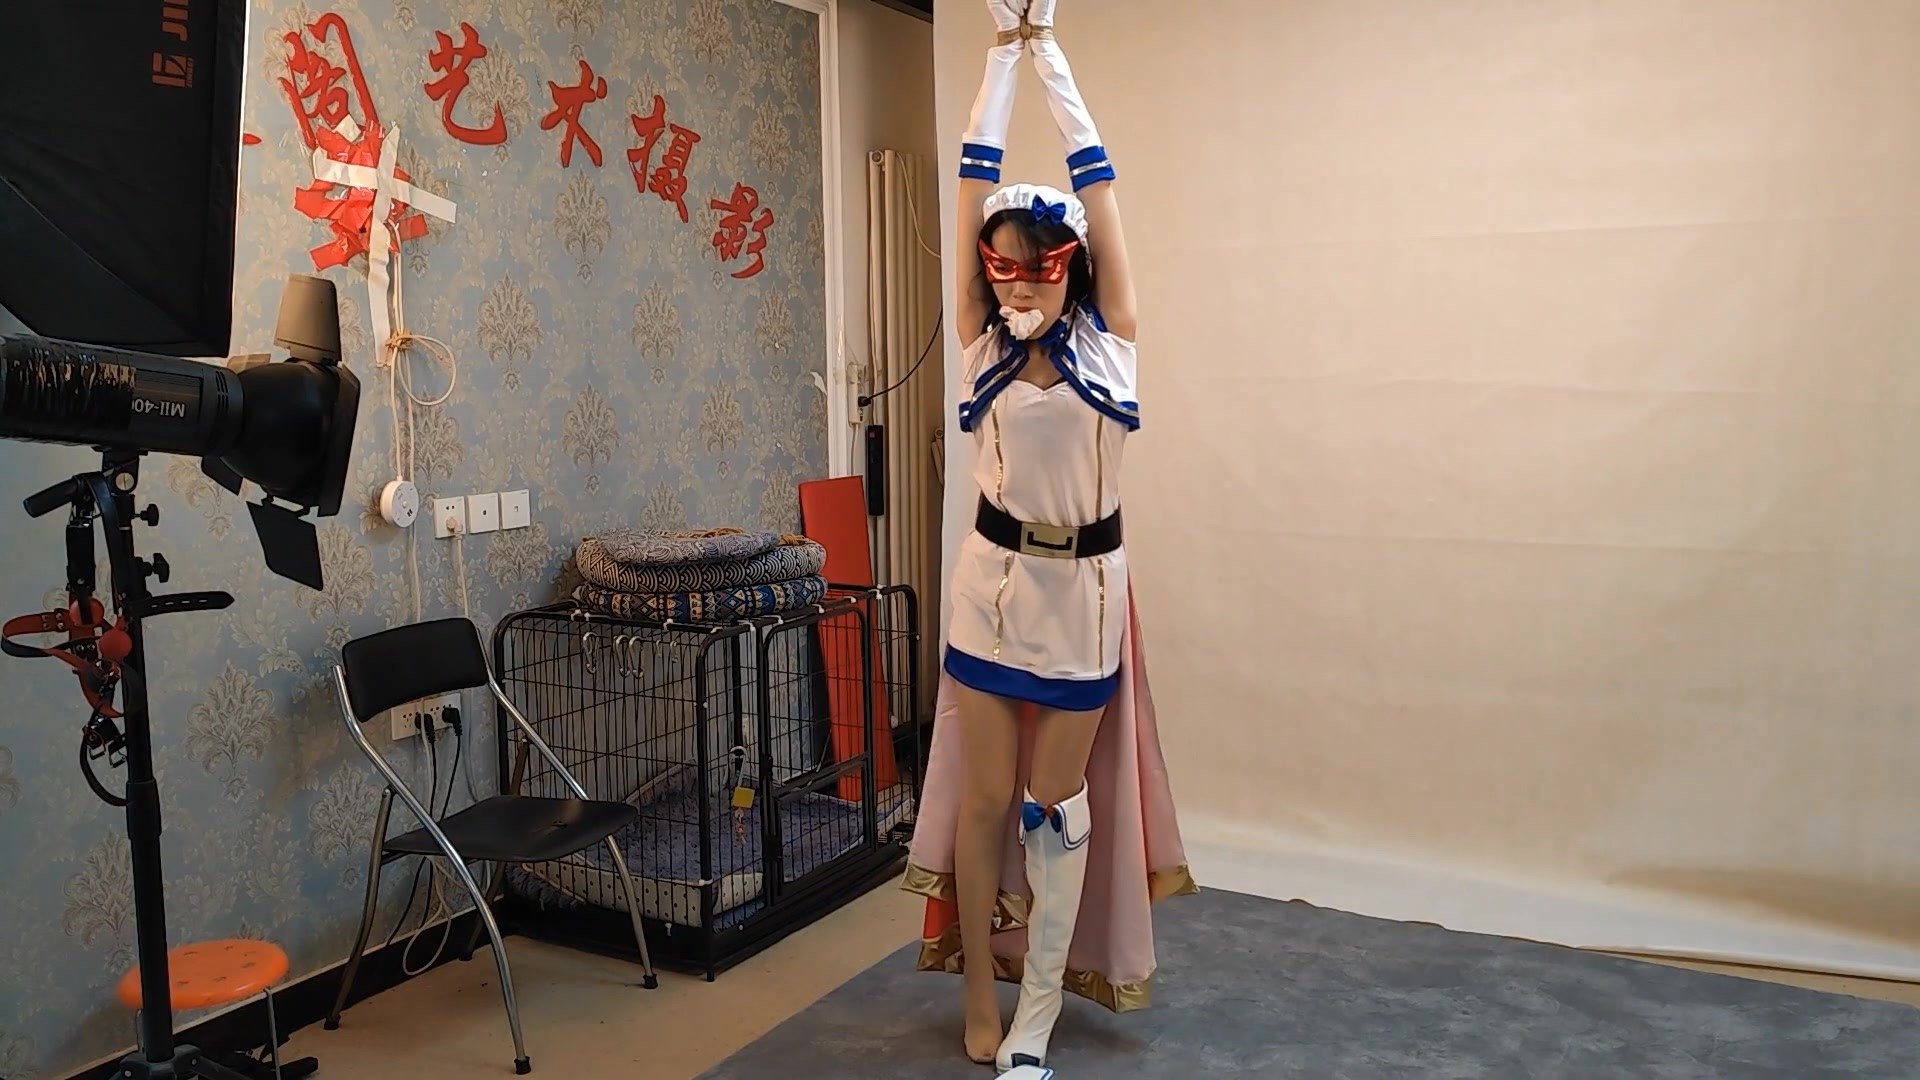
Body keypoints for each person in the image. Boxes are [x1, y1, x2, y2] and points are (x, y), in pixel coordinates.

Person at [902, 0, 1197, 1071]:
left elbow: (1099, 180)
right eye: (1003, 266)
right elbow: (970, 179)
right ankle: (982, 991)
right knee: (985, 800)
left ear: (1070, 264)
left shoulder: (1113, 343)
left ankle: (1038, 1013)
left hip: (1083, 597)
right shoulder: (978, 344)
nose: (1020, 281)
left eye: (1040, 264)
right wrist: (1000, 56)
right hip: (988, 589)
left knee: (1052, 806)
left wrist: (1051, 55)